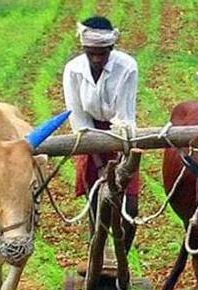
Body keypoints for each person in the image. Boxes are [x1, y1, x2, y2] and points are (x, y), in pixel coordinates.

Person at [62, 15, 140, 252]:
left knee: (130, 206)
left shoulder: (127, 67)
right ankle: (97, 254)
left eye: (102, 53)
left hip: (121, 136)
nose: (97, 58)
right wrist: (97, 162)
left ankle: (121, 259)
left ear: (111, 47)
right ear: (84, 48)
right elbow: (77, 117)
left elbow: (124, 115)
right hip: (89, 136)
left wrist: (120, 163)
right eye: (91, 52)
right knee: (96, 202)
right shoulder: (73, 70)